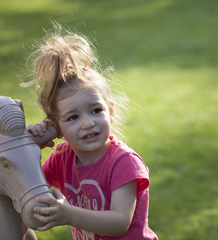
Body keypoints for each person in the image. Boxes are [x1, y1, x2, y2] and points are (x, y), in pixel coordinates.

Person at [25, 26, 158, 240]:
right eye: (73, 117)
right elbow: (28, 186)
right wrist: (31, 146)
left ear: (111, 111)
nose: (88, 123)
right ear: (56, 128)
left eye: (96, 111)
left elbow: (120, 222)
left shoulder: (124, 162)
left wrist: (69, 214)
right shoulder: (61, 159)